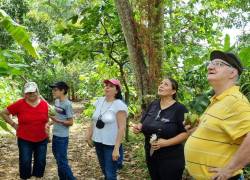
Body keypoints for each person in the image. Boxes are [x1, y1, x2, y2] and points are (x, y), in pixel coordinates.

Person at [184, 50, 250, 180]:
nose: (210, 67)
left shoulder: (235, 100)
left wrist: (229, 170)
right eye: (210, 63)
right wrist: (195, 131)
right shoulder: (217, 101)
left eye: (218, 64)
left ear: (232, 73)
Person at [133, 77, 189, 180]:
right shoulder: (153, 104)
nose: (161, 85)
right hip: (151, 154)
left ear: (173, 91)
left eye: (166, 84)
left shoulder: (180, 109)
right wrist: (138, 128)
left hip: (171, 158)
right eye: (161, 83)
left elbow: (186, 133)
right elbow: (142, 122)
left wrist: (166, 143)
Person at [0, 82, 49, 180]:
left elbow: (46, 121)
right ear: (25, 93)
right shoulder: (20, 103)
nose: (31, 94)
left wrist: (49, 134)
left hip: (42, 138)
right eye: (28, 93)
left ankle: (37, 177)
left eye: (33, 92)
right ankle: (26, 178)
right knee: (25, 161)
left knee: (40, 161)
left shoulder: (44, 104)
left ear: (37, 91)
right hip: (25, 138)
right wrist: (14, 124)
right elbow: (3, 113)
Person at [85, 79, 128, 180]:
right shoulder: (99, 101)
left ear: (116, 91)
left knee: (110, 174)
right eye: (106, 85)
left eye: (111, 86)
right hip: (98, 142)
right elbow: (94, 120)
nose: (107, 87)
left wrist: (117, 148)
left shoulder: (119, 105)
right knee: (104, 171)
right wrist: (88, 136)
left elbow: (122, 127)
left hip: (111, 144)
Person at [48, 81, 75, 180]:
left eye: (55, 90)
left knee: (62, 161)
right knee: (59, 161)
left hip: (62, 137)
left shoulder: (67, 104)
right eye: (53, 90)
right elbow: (57, 117)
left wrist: (57, 120)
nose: (53, 92)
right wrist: (49, 123)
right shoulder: (57, 102)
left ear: (62, 90)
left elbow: (71, 122)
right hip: (55, 134)